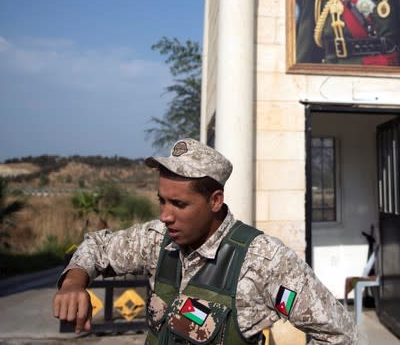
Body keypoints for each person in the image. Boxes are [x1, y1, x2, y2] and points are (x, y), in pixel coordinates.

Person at [53, 138, 357, 344]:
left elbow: (338, 334)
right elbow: (98, 247)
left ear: (215, 201)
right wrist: (73, 283)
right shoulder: (157, 241)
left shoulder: (264, 261)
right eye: (161, 201)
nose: (164, 216)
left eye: (179, 205)